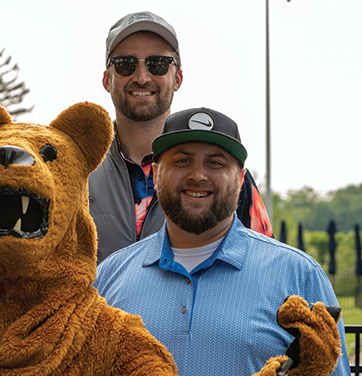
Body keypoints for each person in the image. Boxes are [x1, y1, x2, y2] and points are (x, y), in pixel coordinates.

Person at [94, 107, 354, 376]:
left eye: (216, 162)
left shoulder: (300, 275)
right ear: (157, 173)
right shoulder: (108, 278)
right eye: (182, 161)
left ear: (241, 177)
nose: (197, 175)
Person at [88, 11, 272, 263]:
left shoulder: (228, 179)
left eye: (158, 64)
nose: (141, 77)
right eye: (125, 65)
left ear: (178, 78)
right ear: (107, 79)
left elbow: (264, 264)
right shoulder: (76, 169)